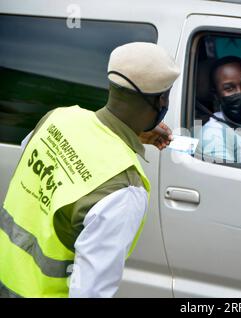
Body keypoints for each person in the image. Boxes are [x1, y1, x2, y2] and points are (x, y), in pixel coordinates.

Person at [0, 42, 180, 298]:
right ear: (162, 99)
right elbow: (90, 292)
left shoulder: (57, 118)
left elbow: (40, 160)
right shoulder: (123, 189)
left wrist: (129, 134)